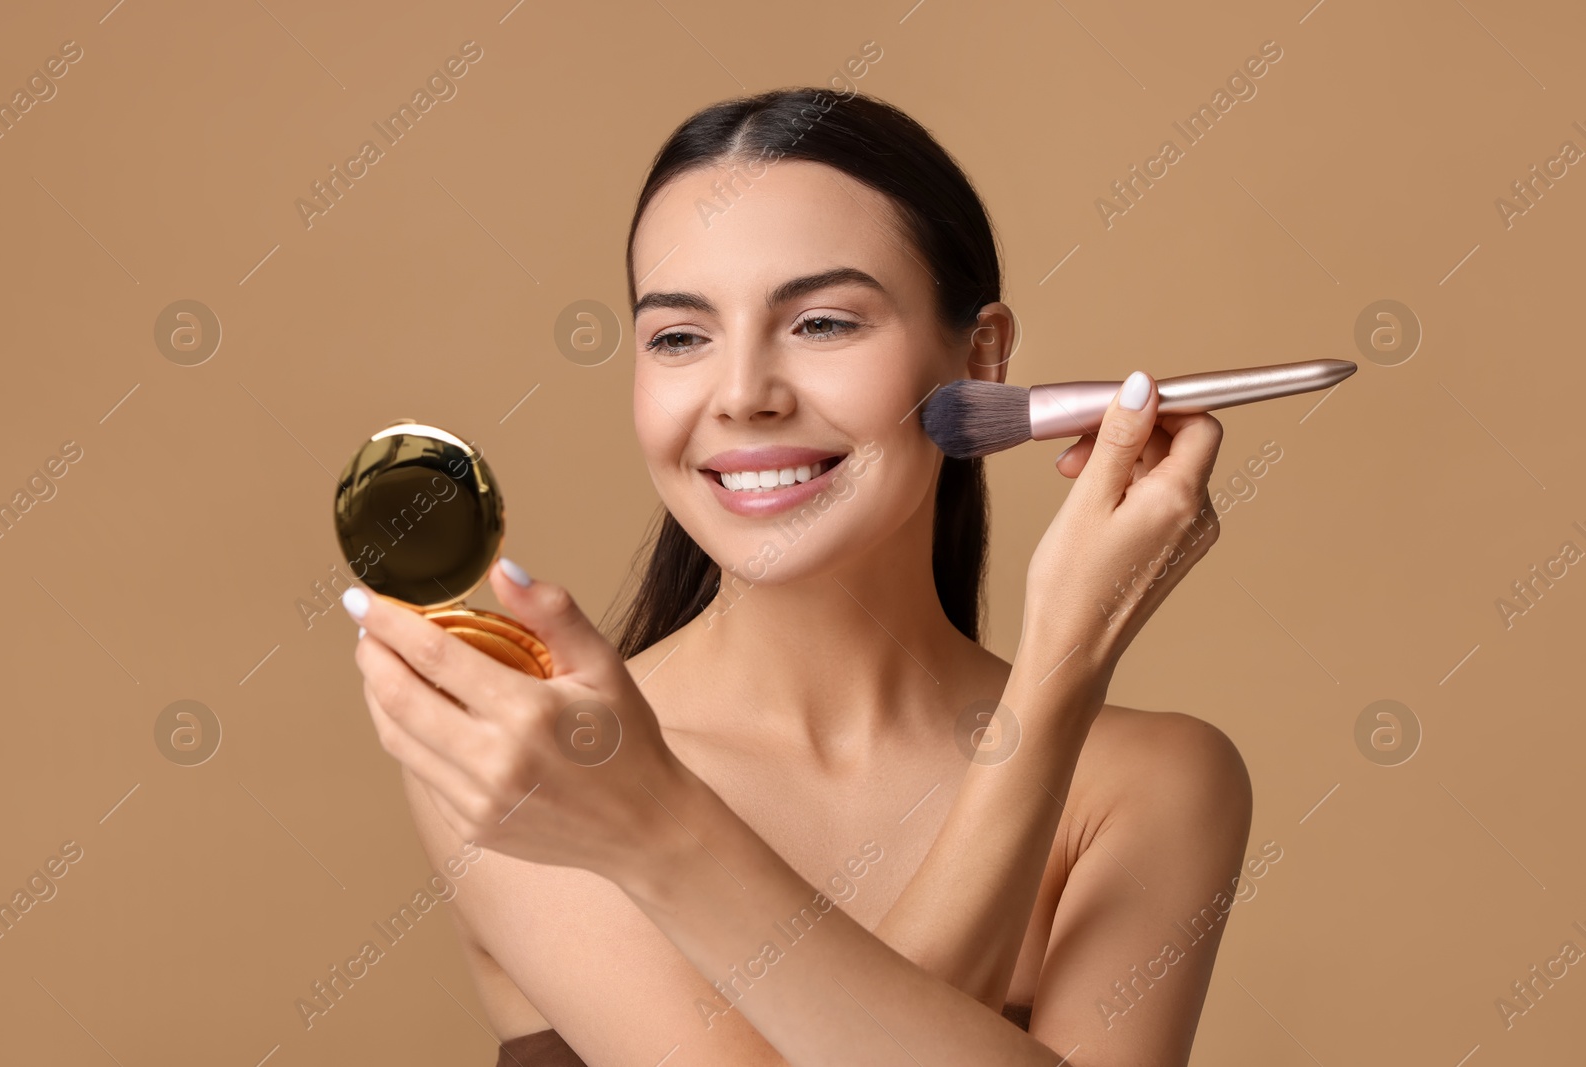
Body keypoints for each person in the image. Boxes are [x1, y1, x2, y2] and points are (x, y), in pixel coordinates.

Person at [346, 86, 1251, 1066]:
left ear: (981, 358)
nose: (741, 395)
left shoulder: (1153, 784)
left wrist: (1061, 668)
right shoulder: (538, 753)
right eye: (679, 337)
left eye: (820, 323)